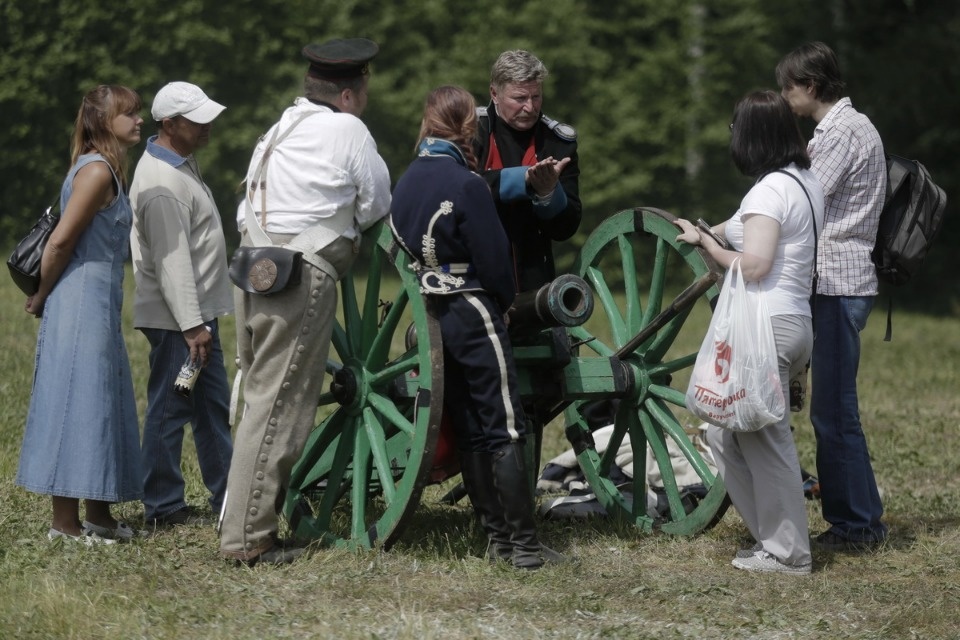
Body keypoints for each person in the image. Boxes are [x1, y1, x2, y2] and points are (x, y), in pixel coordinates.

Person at [219, 38, 391, 566]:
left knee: (258, 399)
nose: (363, 100)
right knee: (281, 408)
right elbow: (377, 202)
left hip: (251, 266)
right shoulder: (348, 130)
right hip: (300, 275)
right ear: (347, 92)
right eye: (362, 90)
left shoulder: (278, 128)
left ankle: (239, 522)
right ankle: (248, 539)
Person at [390, 85, 565, 570]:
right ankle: (524, 548)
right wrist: (506, 303)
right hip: (474, 311)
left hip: (434, 317)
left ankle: (496, 539)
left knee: (470, 429)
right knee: (505, 428)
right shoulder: (465, 183)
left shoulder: (404, 184)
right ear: (468, 126)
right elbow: (494, 260)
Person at [675, 90, 824, 575]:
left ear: (752, 135)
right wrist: (707, 231)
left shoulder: (768, 191)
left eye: (736, 128)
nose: (730, 136)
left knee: (765, 438)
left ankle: (789, 554)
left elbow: (756, 264)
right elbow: (744, 230)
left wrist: (706, 246)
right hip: (794, 322)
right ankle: (770, 539)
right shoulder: (803, 182)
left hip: (768, 326)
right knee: (724, 432)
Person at [16, 85, 145, 544]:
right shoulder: (95, 172)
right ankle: (64, 526)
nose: (139, 120)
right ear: (103, 120)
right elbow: (60, 242)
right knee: (77, 403)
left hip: (98, 301)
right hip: (77, 301)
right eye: (129, 114)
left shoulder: (105, 168)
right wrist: (42, 293)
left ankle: (99, 516)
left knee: (101, 400)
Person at [776, 41, 888, 551]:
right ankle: (856, 520)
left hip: (839, 285)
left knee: (835, 412)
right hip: (836, 284)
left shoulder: (842, 132)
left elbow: (804, 200)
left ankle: (858, 526)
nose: (784, 97)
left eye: (788, 88)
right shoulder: (844, 127)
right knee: (833, 410)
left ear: (811, 87)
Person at [129, 82, 234, 529]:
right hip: (179, 321)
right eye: (197, 119)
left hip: (193, 317)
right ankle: (163, 506)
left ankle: (228, 496)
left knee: (211, 408)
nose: (208, 125)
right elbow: (171, 264)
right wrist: (193, 326)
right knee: (171, 409)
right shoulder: (162, 184)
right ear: (169, 124)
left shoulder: (177, 164)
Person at [473, 49, 581, 294]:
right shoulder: (470, 131)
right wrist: (523, 180)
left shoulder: (560, 142)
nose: (530, 107)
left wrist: (547, 194)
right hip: (474, 268)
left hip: (533, 277)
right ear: (494, 93)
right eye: (520, 98)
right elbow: (456, 189)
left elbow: (567, 228)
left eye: (536, 96)